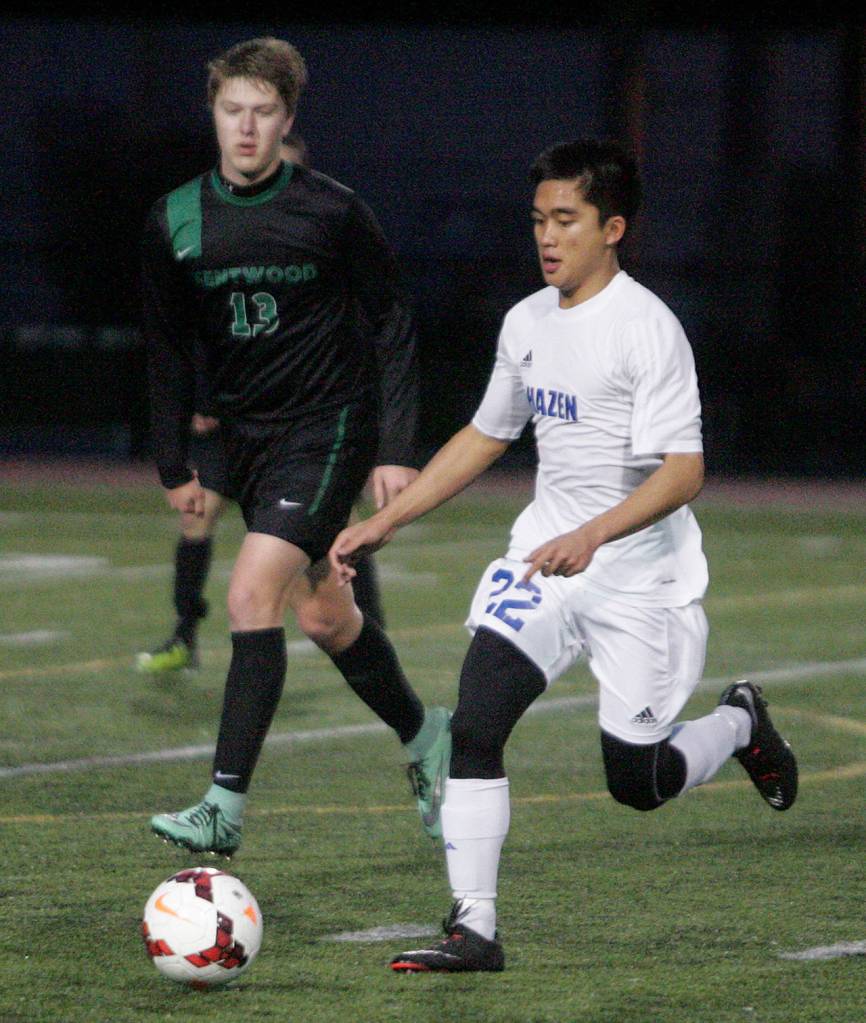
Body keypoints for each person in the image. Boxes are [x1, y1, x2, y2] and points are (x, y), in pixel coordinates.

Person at [329, 138, 798, 972]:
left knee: (638, 781)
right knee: (475, 722)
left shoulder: (649, 330)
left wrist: (596, 533)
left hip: (638, 580)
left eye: (567, 220)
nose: (547, 237)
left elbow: (686, 471)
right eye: (539, 220)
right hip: (544, 560)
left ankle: (739, 722)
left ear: (612, 227)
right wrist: (388, 520)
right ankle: (474, 927)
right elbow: (486, 432)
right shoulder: (527, 321)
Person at [141, 37, 451, 857]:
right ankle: (427, 737)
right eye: (232, 110)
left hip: (329, 429)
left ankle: (223, 805)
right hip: (246, 438)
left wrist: (394, 445)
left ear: (288, 119)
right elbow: (169, 346)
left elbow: (390, 320)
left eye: (264, 112)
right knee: (325, 614)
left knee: (251, 595)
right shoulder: (175, 217)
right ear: (213, 113)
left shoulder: (333, 210)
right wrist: (173, 460)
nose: (247, 128)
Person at [136, 131, 386, 675]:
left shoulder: (321, 236)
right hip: (236, 422)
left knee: (338, 526)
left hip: (309, 424)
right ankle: (183, 634)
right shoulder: (211, 236)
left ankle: (369, 629)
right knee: (197, 520)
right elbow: (195, 332)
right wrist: (199, 402)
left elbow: (371, 323)